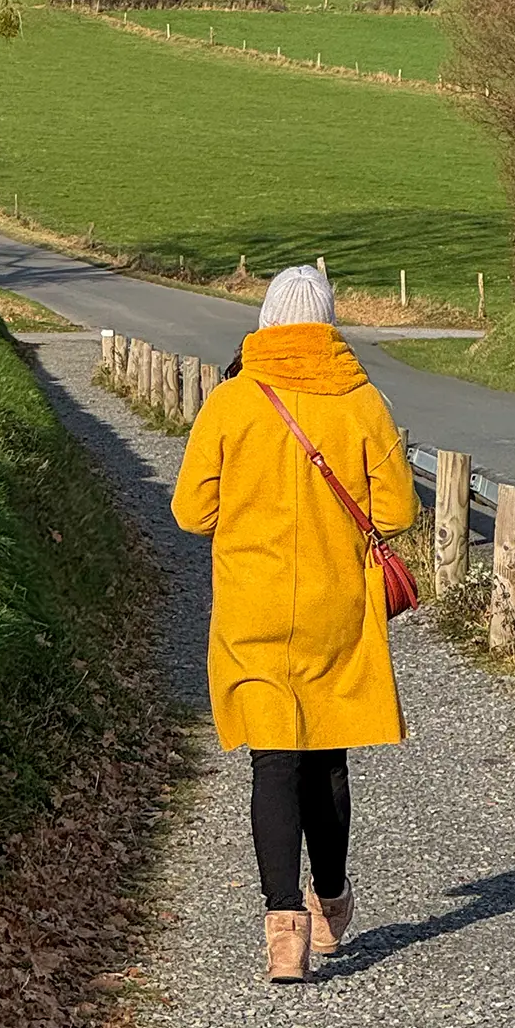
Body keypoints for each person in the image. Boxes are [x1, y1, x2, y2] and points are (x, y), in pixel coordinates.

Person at [171, 262, 418, 984]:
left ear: (268, 319)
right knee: (326, 755)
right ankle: (332, 900)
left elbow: (191, 512)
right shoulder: (361, 400)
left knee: (272, 760)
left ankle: (285, 934)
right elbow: (398, 512)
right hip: (334, 605)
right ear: (330, 321)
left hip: (253, 604)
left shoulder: (234, 401)